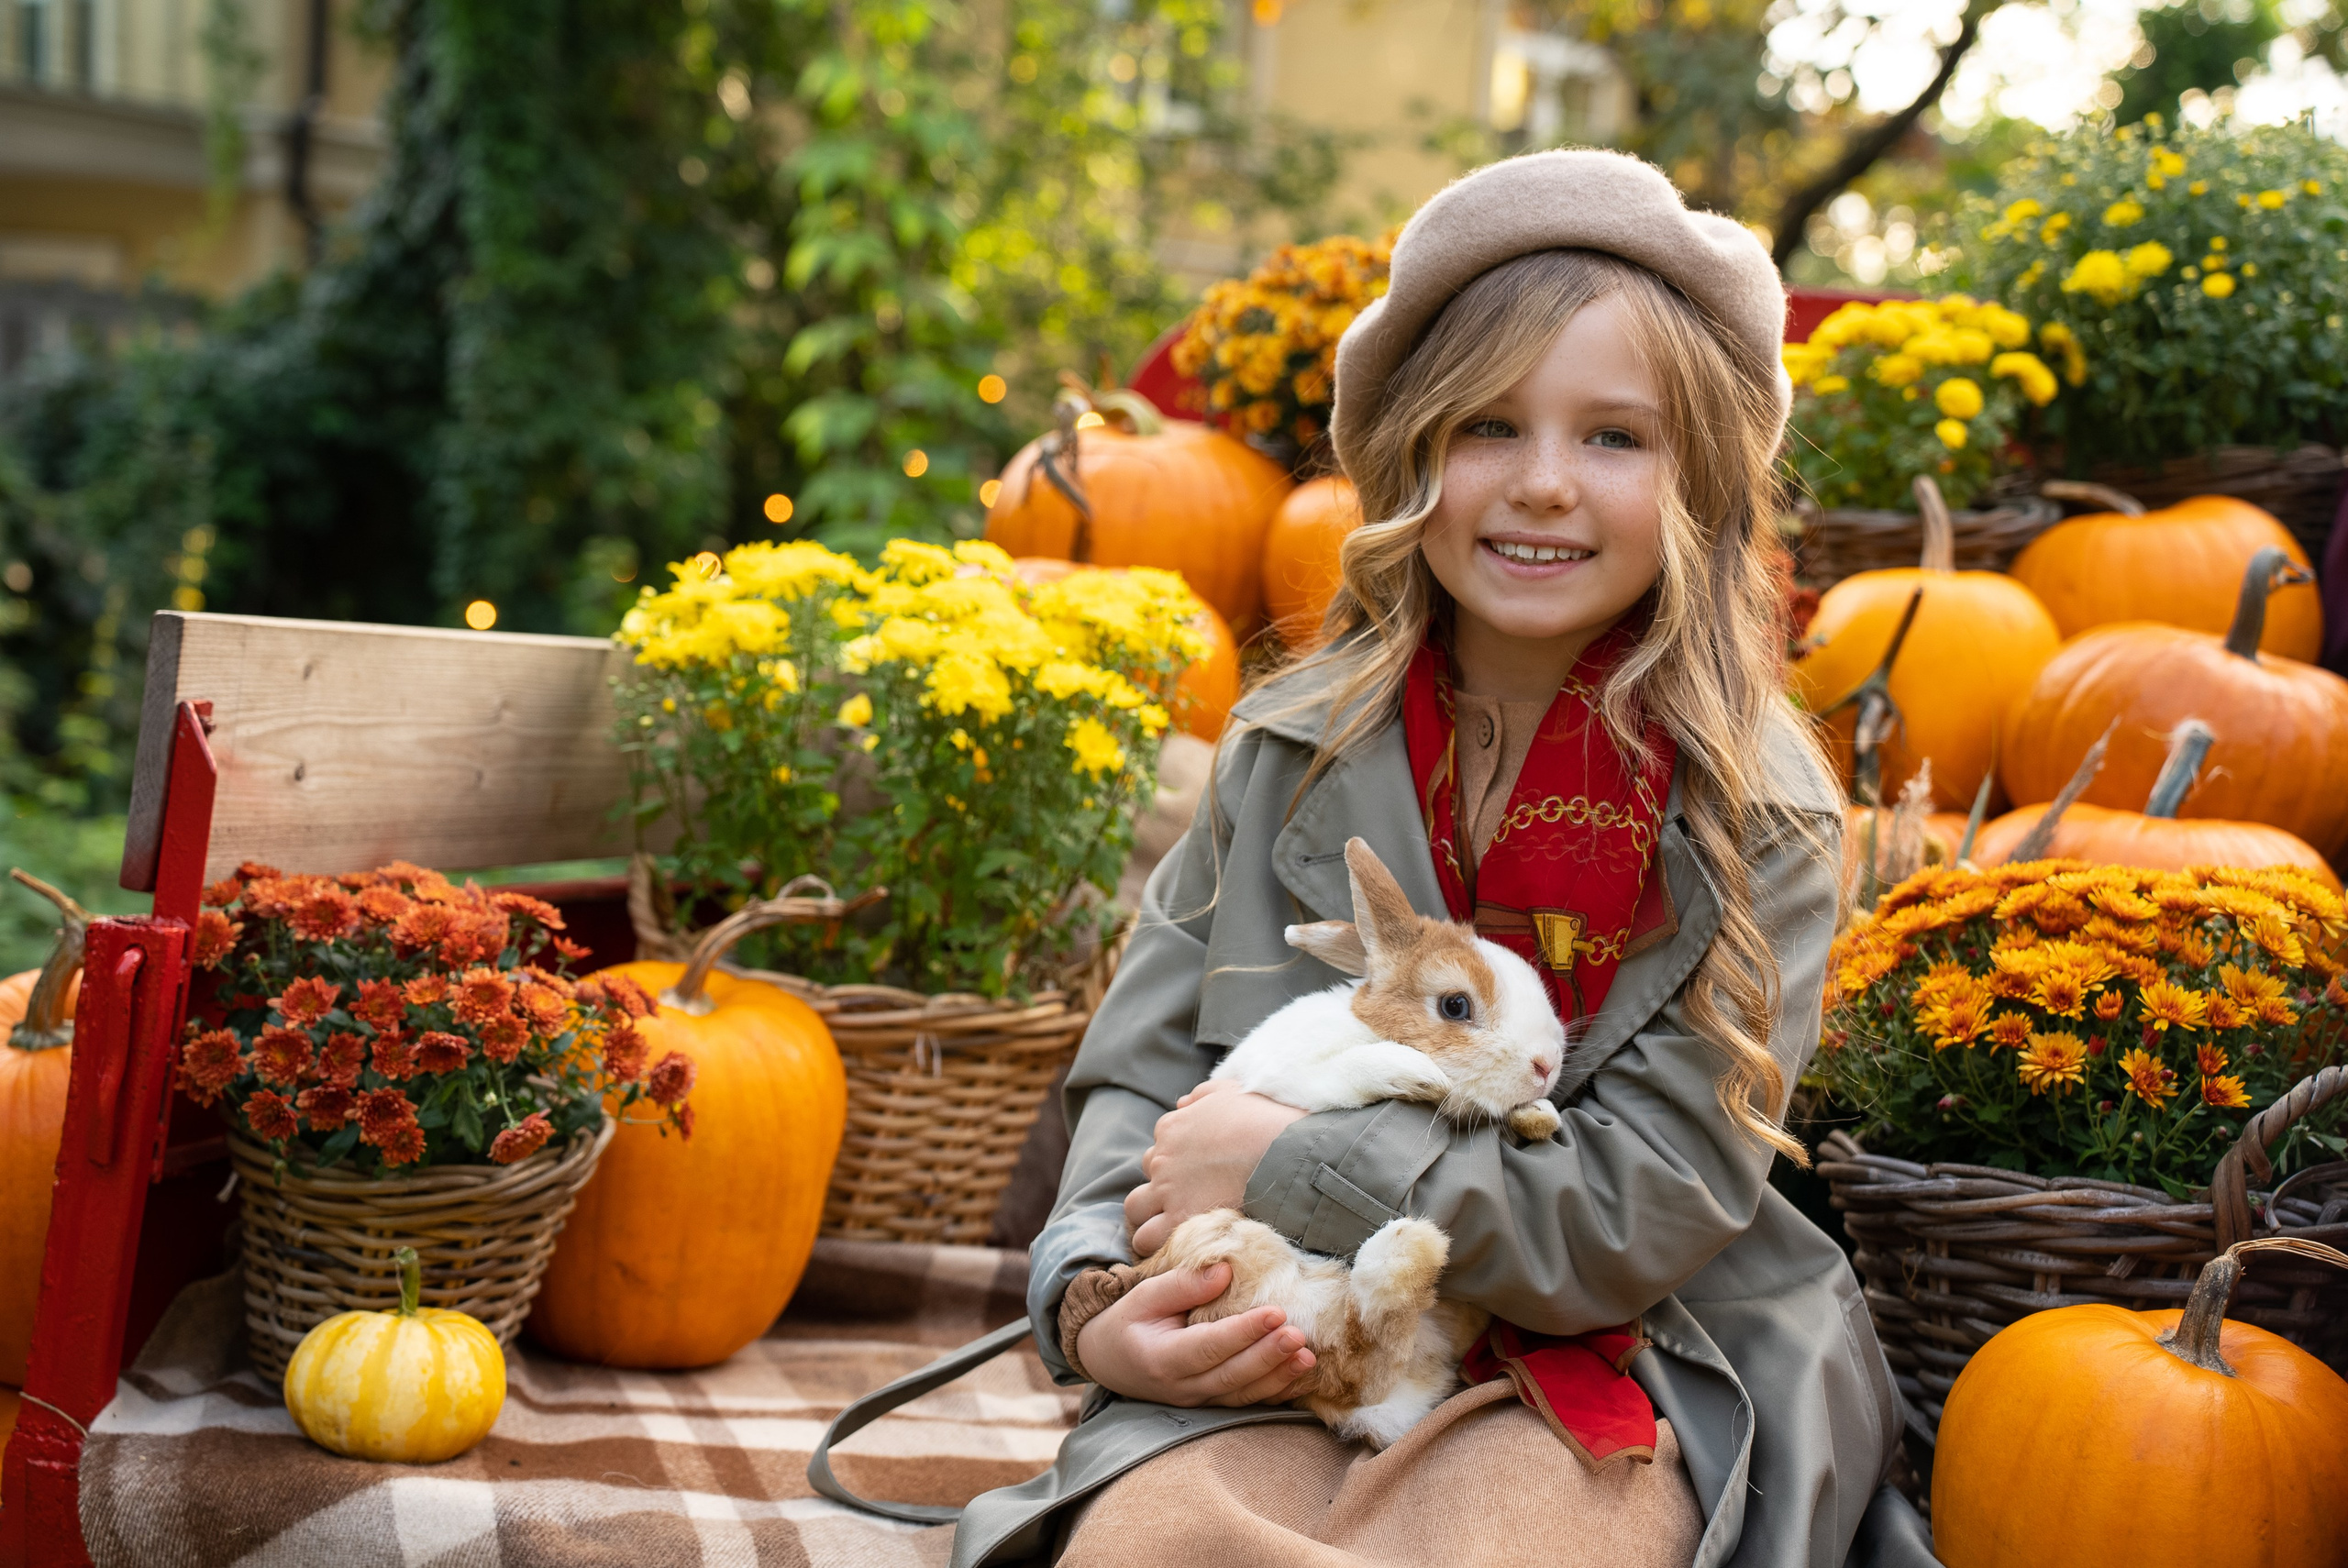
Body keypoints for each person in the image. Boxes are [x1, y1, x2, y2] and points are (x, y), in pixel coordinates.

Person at [952, 149, 1929, 1568]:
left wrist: (1298, 1161)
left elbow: (1641, 1204)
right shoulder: (1289, 743)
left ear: (1700, 477)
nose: (1542, 484)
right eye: (1489, 426)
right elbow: (1141, 1073)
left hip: (1605, 1355)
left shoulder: (1752, 809)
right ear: (1414, 450)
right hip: (1283, 1320)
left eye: (1613, 437)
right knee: (1159, 1544)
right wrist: (1098, 1293)